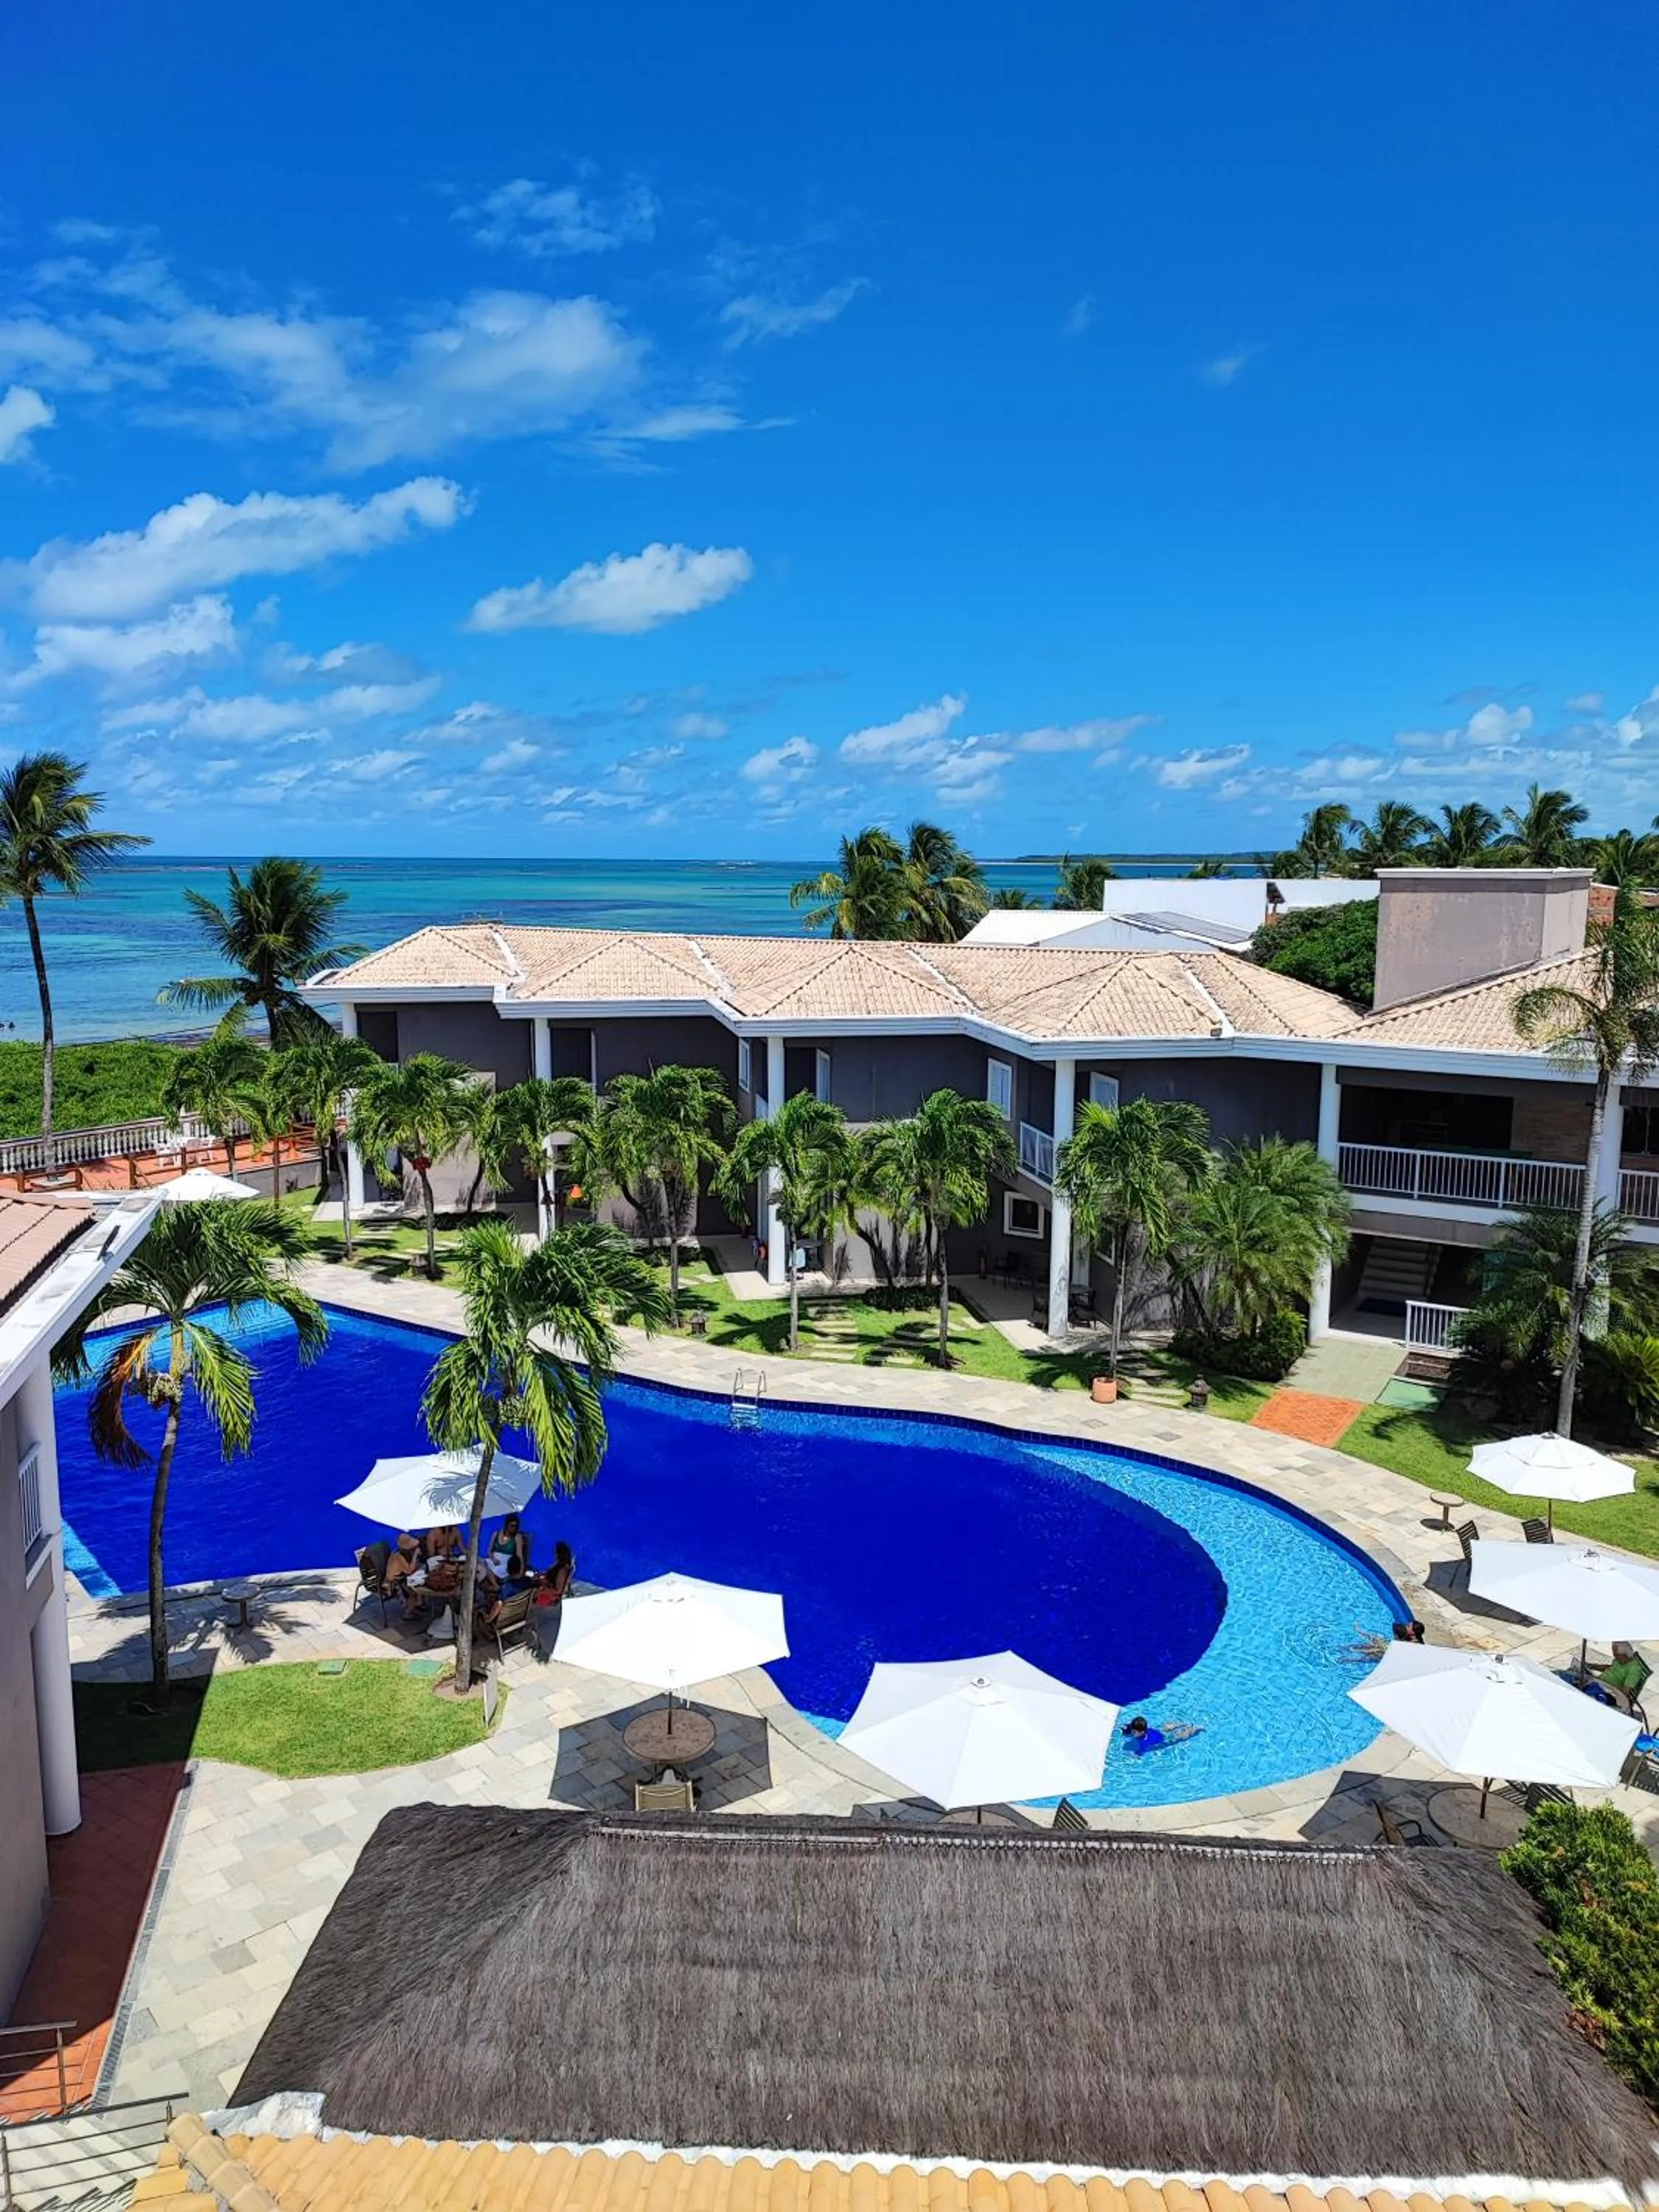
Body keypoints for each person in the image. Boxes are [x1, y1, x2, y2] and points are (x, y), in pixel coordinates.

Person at [1592, 1642, 1649, 1714]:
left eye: (1617, 1655)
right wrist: (1593, 1666)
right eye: (1614, 1654)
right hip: (1599, 1683)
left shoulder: (1635, 1669)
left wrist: (1608, 1689)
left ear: (1625, 1655)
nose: (1615, 1657)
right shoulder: (1620, 1660)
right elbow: (1611, 1668)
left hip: (1606, 1692)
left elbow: (1624, 1692)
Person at [1122, 1715, 1200, 1756]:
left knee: (1181, 1735)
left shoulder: (1144, 1742)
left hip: (1166, 1739)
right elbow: (1131, 1727)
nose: (1132, 1734)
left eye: (1134, 1733)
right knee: (1167, 1727)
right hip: (1158, 1732)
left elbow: (1141, 1752)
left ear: (1142, 1733)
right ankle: (1183, 1723)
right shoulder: (1142, 1729)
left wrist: (1135, 1755)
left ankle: (1196, 1728)